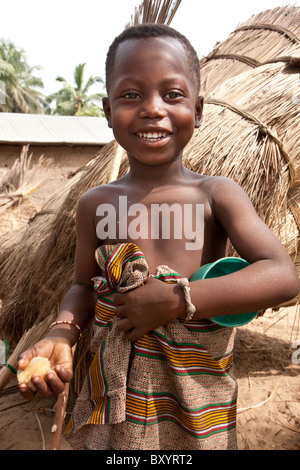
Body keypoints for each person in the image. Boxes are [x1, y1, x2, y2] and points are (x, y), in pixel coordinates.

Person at [18, 24, 299, 450]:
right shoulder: (96, 203)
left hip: (195, 403)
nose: (152, 109)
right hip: (114, 404)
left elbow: (282, 276)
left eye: (172, 94)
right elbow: (82, 287)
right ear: (107, 110)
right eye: (131, 95)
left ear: (199, 110)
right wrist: (61, 333)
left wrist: (175, 301)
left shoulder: (216, 194)